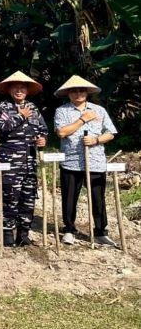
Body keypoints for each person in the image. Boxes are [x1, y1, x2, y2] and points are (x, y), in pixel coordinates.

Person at [53, 75, 118, 247]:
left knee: (98, 198)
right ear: (68, 93)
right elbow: (61, 133)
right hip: (71, 162)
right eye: (74, 91)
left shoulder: (99, 110)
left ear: (87, 92)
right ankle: (68, 229)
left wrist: (96, 140)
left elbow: (111, 133)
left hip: (95, 161)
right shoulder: (62, 111)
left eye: (81, 90)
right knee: (69, 198)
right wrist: (83, 119)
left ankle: (100, 232)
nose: (78, 93)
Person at [0, 71, 48, 247]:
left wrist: (42, 140)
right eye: (15, 87)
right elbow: (2, 128)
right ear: (9, 90)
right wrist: (21, 115)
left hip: (30, 161)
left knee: (28, 198)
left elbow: (43, 130)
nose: (19, 91)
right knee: (10, 197)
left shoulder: (34, 108)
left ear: (27, 90)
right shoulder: (3, 107)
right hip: (9, 161)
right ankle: (7, 233)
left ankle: (23, 234)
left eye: (22, 88)